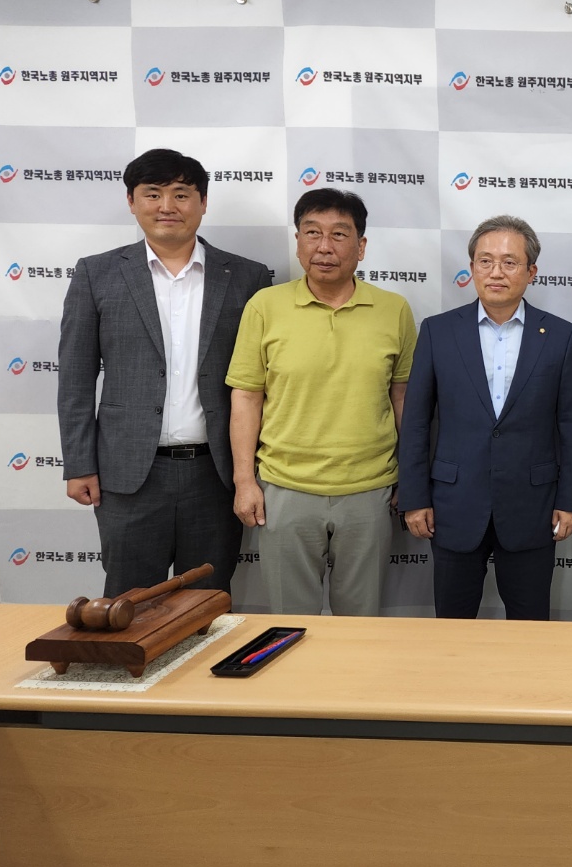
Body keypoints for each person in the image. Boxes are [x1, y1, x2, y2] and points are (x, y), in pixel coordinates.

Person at [58, 149, 270, 598]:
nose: (167, 206)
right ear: (131, 201)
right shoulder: (97, 273)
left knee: (207, 603)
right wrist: (79, 464)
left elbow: (260, 384)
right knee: (129, 605)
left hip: (216, 474)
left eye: (181, 194)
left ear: (203, 202)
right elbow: (75, 378)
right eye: (152, 194)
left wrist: (249, 473)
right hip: (128, 474)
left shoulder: (247, 277)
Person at [227, 189, 415, 616]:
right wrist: (244, 482)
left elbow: (403, 398)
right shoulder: (265, 306)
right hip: (284, 488)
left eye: (339, 234)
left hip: (369, 490)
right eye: (312, 233)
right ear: (298, 241)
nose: (324, 247)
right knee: (290, 625)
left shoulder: (394, 310)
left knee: (361, 622)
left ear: (361, 246)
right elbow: (247, 397)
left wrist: (411, 476)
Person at [398, 216, 572, 620]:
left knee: (530, 626)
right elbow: (415, 422)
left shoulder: (560, 336)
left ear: (531, 272)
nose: (496, 272)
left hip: (532, 506)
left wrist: (570, 500)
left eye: (509, 262)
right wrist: (414, 499)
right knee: (452, 627)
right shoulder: (437, 332)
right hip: (453, 504)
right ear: (472, 268)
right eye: (485, 261)